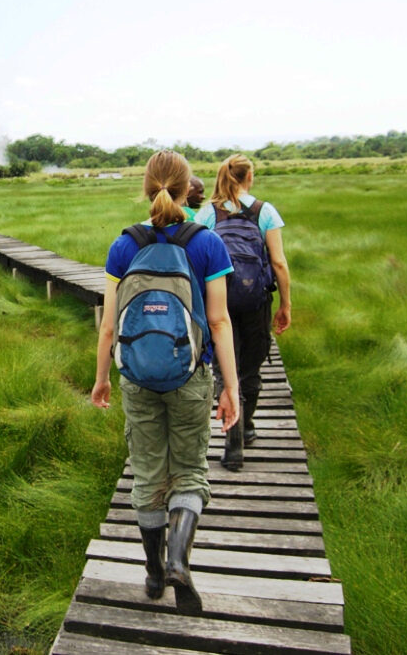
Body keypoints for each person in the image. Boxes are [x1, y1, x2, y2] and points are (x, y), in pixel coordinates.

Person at [91, 150, 239, 615]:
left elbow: (110, 327)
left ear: (146, 187)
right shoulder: (207, 242)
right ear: (187, 186)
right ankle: (179, 559)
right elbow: (219, 323)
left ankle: (154, 573)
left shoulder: (124, 245)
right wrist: (230, 387)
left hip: (136, 376)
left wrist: (101, 380)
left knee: (148, 475)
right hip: (192, 376)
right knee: (190, 471)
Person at [194, 154, 291, 470]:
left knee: (225, 367)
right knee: (251, 364)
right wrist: (286, 304)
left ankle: (232, 445)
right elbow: (278, 263)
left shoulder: (208, 212)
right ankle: (246, 425)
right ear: (248, 177)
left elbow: (196, 260)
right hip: (255, 301)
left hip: (217, 301)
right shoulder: (265, 211)